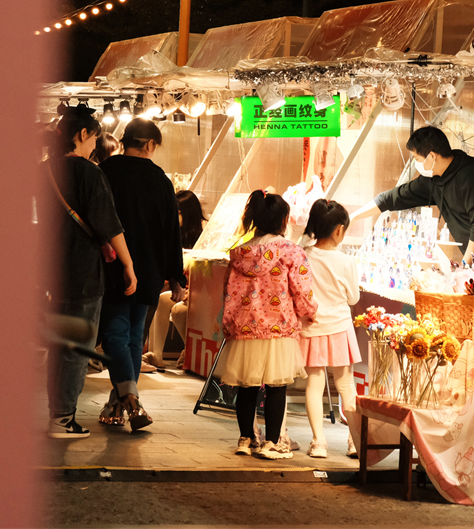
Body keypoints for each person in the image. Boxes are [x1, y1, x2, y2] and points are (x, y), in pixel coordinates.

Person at [41, 104, 137, 439]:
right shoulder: (88, 173)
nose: (95, 146)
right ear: (82, 134)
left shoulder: (42, 171)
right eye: (94, 138)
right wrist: (128, 265)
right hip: (82, 274)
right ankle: (63, 418)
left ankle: (57, 414)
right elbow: (109, 225)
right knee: (76, 350)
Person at [97, 118, 187, 431]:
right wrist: (176, 276)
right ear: (149, 145)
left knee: (116, 337)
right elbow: (171, 232)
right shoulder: (160, 180)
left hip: (112, 268)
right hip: (149, 270)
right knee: (133, 338)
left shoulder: (106, 171)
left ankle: (126, 401)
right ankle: (124, 401)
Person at [217, 190, 317, 460]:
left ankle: (245, 439)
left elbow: (229, 292)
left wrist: (228, 324)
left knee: (246, 385)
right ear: (285, 219)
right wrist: (310, 311)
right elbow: (302, 289)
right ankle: (271, 442)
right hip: (278, 328)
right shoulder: (290, 252)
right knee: (276, 386)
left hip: (244, 329)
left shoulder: (239, 253)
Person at [350, 126, 474, 265]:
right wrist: (354, 217)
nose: (416, 164)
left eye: (417, 159)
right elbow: (392, 198)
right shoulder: (432, 180)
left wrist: (466, 267)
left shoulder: (471, 177)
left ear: (432, 156)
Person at [300, 199, 361, 459]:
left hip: (311, 327)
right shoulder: (346, 262)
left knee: (314, 384)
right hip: (339, 326)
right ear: (339, 230)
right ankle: (355, 442)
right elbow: (353, 299)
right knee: (346, 384)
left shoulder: (302, 255)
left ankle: (318, 442)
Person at [144, 190, 207, 370]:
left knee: (166, 301)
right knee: (162, 299)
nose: (174, 215)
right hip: (182, 286)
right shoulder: (173, 232)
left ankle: (163, 353)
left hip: (195, 288)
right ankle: (156, 354)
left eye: (178, 212)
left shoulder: (202, 235)